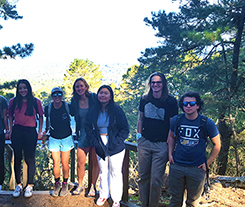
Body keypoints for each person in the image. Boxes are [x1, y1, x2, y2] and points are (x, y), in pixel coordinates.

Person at [168, 91, 221, 207]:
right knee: (175, 201)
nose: (188, 106)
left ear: (197, 105)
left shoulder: (206, 123)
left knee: (192, 202)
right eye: (185, 103)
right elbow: (171, 137)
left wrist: (207, 163)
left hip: (196, 168)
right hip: (177, 165)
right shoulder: (177, 120)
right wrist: (170, 154)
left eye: (192, 103)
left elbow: (217, 144)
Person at [136, 72, 178, 207]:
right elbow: (141, 118)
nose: (155, 85)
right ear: (150, 84)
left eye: (158, 82)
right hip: (145, 142)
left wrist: (169, 144)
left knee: (155, 179)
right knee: (143, 178)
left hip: (161, 145)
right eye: (153, 82)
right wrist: (139, 136)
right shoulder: (144, 98)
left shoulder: (171, 101)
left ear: (163, 84)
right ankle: (144, 204)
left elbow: (173, 125)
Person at [85, 85, 129, 207]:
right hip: (100, 143)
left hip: (116, 145)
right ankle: (104, 194)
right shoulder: (93, 110)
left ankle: (116, 199)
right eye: (100, 93)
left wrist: (116, 141)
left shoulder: (116, 110)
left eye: (105, 93)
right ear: (97, 95)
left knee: (115, 172)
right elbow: (88, 127)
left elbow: (125, 129)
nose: (103, 95)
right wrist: (95, 143)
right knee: (103, 171)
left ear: (110, 96)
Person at [8, 79, 44, 198]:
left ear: (28, 89)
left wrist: (40, 131)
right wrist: (10, 130)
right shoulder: (13, 101)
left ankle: (29, 185)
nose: (23, 90)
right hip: (17, 131)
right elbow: (9, 116)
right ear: (17, 90)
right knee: (17, 158)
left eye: (25, 88)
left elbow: (41, 116)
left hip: (30, 131)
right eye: (20, 88)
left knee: (30, 159)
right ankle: (18, 184)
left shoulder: (35, 101)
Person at [69, 78, 100, 196]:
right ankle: (80, 185)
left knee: (95, 162)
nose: (80, 88)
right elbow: (71, 113)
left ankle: (93, 186)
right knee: (80, 161)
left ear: (86, 87)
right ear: (74, 89)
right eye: (77, 87)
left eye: (81, 86)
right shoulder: (74, 101)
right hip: (82, 132)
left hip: (95, 132)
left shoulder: (94, 98)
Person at [43, 87, 74, 197]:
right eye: (55, 95)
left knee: (65, 163)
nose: (57, 97)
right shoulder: (48, 108)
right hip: (53, 137)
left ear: (62, 95)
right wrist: (45, 130)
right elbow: (47, 119)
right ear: (52, 96)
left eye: (59, 94)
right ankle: (57, 184)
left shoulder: (67, 107)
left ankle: (65, 183)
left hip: (66, 137)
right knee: (56, 163)